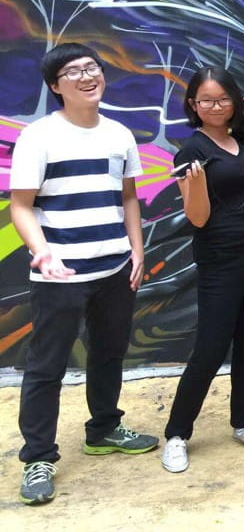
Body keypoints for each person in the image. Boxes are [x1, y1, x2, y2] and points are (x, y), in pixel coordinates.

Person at [9, 42, 158, 505]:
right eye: (74, 72)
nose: (87, 76)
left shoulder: (119, 135)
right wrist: (44, 253)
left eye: (92, 67)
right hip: (61, 274)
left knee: (109, 352)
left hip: (114, 267)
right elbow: (21, 206)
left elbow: (129, 197)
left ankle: (104, 429)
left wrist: (136, 250)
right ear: (57, 87)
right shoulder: (39, 137)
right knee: (46, 366)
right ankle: (38, 457)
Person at [160, 66, 244, 474]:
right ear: (193, 106)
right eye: (206, 101)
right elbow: (198, 219)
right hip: (222, 257)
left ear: (234, 101)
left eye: (223, 99)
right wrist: (195, 185)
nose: (215, 107)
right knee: (211, 348)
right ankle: (177, 434)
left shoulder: (240, 142)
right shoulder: (190, 151)